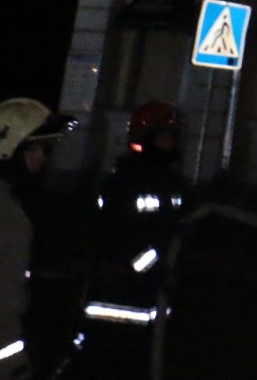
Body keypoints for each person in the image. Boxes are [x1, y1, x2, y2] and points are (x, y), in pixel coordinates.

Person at [74, 102, 192, 379]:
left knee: (140, 362)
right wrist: (139, 268)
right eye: (164, 134)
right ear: (147, 137)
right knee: (100, 363)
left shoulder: (175, 184)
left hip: (150, 297)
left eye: (173, 135)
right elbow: (113, 234)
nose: (170, 141)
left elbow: (182, 227)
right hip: (116, 295)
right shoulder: (124, 182)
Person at [0, 97, 74, 374]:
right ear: (14, 150)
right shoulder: (2, 213)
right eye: (38, 150)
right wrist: (15, 369)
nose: (42, 160)